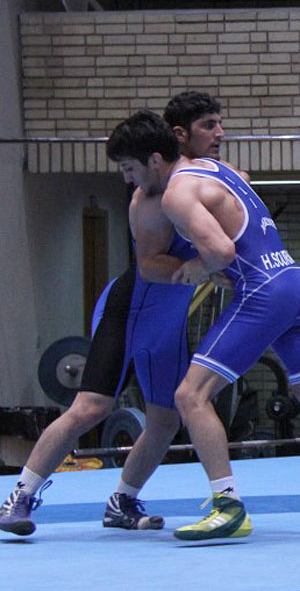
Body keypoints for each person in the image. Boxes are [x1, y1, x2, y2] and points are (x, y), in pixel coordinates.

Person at [106, 110, 300, 541]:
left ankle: (227, 506)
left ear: (155, 160)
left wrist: (198, 268)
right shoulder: (217, 169)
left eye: (129, 168)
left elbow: (222, 252)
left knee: (189, 395)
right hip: (294, 282)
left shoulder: (176, 193)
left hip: (262, 291)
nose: (128, 179)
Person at [0, 92, 228, 537]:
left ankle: (122, 501)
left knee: (166, 419)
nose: (220, 134)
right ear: (178, 138)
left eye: (128, 167)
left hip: (169, 319)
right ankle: (20, 496)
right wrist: (202, 267)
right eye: (209, 126)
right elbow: (149, 267)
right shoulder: (148, 200)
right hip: (132, 309)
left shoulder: (204, 178)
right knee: (91, 407)